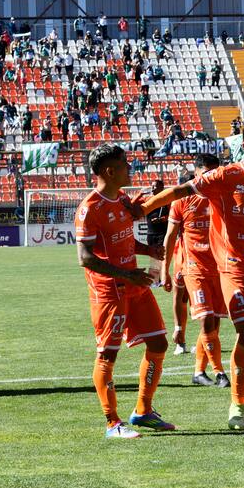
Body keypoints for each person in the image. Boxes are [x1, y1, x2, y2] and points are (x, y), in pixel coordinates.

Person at [131, 122, 244, 430]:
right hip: (234, 268)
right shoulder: (226, 176)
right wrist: (144, 209)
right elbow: (181, 190)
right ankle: (236, 404)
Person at [74, 144, 175, 439]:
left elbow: (124, 241)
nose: (130, 167)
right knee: (107, 354)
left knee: (158, 344)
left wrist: (147, 250)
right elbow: (85, 257)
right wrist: (127, 274)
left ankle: (143, 410)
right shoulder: (90, 208)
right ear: (109, 171)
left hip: (134, 284)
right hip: (110, 291)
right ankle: (112, 423)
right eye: (124, 163)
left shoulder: (121, 199)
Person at [162, 156, 228, 388]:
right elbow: (170, 237)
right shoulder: (182, 200)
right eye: (206, 173)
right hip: (194, 268)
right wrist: (164, 270)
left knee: (214, 324)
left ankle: (199, 372)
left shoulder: (223, 197)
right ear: (197, 173)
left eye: (214, 173)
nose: (210, 178)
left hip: (219, 268)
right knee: (206, 320)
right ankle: (220, 372)